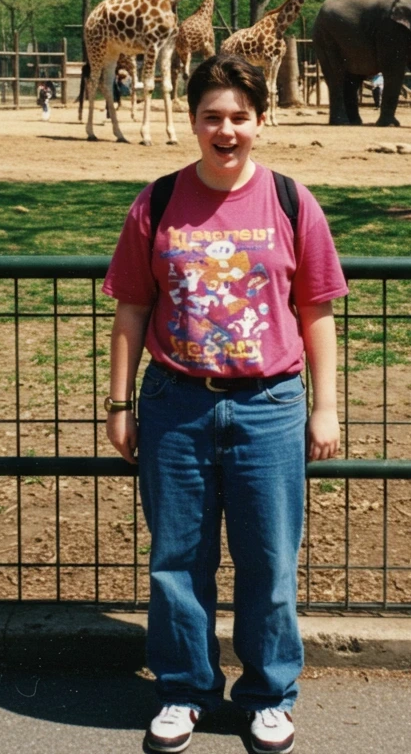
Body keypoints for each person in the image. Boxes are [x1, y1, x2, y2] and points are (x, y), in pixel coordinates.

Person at [103, 54, 348, 754]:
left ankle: (269, 695)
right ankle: (184, 690)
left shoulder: (292, 202)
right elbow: (130, 310)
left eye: (240, 116)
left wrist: (323, 408)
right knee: (177, 559)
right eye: (213, 116)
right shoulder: (155, 203)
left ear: (262, 122)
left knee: (269, 561)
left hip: (269, 405)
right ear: (192, 122)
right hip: (176, 404)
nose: (226, 129)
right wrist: (121, 404)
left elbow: (318, 313)